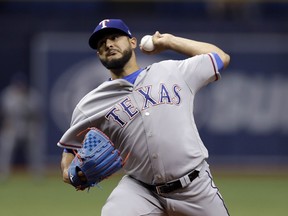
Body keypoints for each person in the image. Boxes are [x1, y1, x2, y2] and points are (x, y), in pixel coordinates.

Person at [59, 19, 230, 216]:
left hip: (194, 187)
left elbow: (220, 57)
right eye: (101, 43)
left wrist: (169, 41)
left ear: (133, 42)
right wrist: (69, 173)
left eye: (114, 37)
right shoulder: (90, 104)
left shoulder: (172, 71)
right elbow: (69, 151)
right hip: (141, 190)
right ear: (99, 54)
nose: (108, 44)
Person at [0, 73, 44, 181]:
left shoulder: (33, 96)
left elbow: (38, 115)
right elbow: (4, 113)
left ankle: (36, 174)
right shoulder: (7, 95)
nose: (20, 88)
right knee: (6, 146)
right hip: (13, 125)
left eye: (21, 86)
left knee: (34, 149)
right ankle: (4, 173)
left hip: (28, 125)